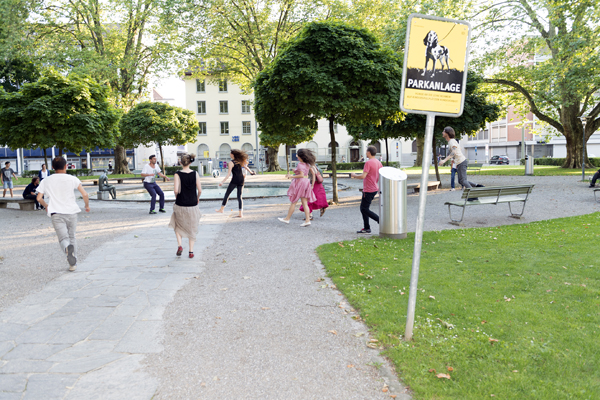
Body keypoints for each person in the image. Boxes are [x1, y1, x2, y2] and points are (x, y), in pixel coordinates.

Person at [36, 157, 90, 271]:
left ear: (52, 167)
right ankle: (73, 265)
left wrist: (46, 206)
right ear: (66, 166)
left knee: (63, 238)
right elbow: (85, 194)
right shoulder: (72, 178)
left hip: (56, 213)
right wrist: (87, 206)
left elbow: (39, 198)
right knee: (72, 236)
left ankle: (66, 248)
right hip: (71, 212)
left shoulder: (46, 180)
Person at [169, 153, 202, 258]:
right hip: (192, 204)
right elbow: (200, 190)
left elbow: (175, 190)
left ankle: (180, 245)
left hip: (180, 203)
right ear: (191, 162)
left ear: (180, 162)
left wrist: (177, 196)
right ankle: (191, 252)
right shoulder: (195, 173)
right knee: (192, 227)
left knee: (177, 225)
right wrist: (197, 198)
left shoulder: (177, 174)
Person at [438, 127, 481, 198]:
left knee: (463, 181)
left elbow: (453, 152)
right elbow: (457, 150)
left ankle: (473, 195)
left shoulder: (451, 141)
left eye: (443, 131)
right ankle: (477, 186)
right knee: (461, 181)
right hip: (460, 162)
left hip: (462, 162)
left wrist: (444, 160)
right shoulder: (451, 141)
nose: (442, 132)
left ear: (447, 133)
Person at [278, 148, 316, 227]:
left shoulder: (300, 164)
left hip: (300, 183)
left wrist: (291, 176)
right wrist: (295, 171)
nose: (297, 156)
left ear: (301, 157)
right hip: (306, 182)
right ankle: (307, 220)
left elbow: (301, 175)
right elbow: (305, 173)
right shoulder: (307, 164)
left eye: (298, 155)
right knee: (305, 203)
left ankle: (287, 219)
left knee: (294, 202)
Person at [351, 146, 382, 234]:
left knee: (364, 209)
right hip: (375, 188)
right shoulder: (378, 162)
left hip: (369, 189)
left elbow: (363, 176)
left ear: (369, 152)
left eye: (366, 151)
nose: (365, 153)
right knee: (365, 208)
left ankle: (380, 220)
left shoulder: (368, 163)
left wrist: (354, 175)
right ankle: (367, 228)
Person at [215, 149, 255, 218]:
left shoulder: (231, 162)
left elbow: (228, 174)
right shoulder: (239, 161)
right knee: (239, 196)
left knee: (227, 194)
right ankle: (240, 214)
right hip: (241, 179)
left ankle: (222, 209)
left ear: (232, 155)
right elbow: (246, 167)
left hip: (235, 180)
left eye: (230, 153)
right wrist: (251, 172)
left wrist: (222, 182)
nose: (229, 154)